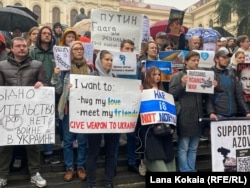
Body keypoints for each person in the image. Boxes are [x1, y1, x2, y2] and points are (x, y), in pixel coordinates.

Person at [0, 37, 48, 187]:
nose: (22, 48)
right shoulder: (1, 66)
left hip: (30, 112)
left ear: (28, 48)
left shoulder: (37, 65)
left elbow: (45, 85)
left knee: (32, 143)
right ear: (12, 49)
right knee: (5, 144)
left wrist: (42, 85)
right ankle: (2, 175)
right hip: (9, 112)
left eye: (24, 46)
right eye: (18, 46)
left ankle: (35, 173)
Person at [52, 40, 91, 182]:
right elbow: (57, 90)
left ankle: (80, 166)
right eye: (75, 49)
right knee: (68, 141)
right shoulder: (64, 70)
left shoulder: (89, 69)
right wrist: (56, 75)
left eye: (81, 48)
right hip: (68, 109)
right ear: (71, 52)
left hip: (84, 109)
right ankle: (69, 167)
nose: (79, 51)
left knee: (82, 141)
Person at [86, 50, 120, 188]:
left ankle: (109, 182)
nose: (109, 62)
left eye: (111, 60)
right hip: (95, 120)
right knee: (93, 153)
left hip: (112, 120)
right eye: (107, 59)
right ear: (100, 61)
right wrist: (74, 88)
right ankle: (91, 183)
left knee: (111, 153)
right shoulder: (91, 77)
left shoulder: (116, 77)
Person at [168, 51, 204, 172]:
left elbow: (204, 95)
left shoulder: (201, 75)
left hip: (198, 115)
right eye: (193, 60)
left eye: (198, 60)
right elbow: (171, 95)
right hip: (184, 115)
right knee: (183, 147)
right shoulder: (178, 76)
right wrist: (182, 84)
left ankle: (191, 169)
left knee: (193, 147)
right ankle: (184, 170)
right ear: (186, 61)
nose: (196, 62)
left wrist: (211, 85)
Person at [30, 26, 60, 165]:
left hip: (53, 91)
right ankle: (35, 153)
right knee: (36, 122)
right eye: (45, 33)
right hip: (36, 91)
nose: (47, 35)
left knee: (50, 122)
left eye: (49, 34)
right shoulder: (33, 51)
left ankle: (48, 152)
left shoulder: (57, 52)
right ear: (40, 35)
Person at [138, 66, 176, 172]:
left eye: (159, 74)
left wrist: (172, 126)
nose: (157, 76)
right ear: (148, 76)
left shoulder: (164, 91)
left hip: (166, 131)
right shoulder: (143, 90)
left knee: (170, 163)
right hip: (151, 132)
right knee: (158, 162)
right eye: (154, 74)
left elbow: (170, 111)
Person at [114, 39, 139, 174]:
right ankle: (113, 164)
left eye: (131, 49)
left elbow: (139, 81)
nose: (129, 51)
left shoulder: (137, 65)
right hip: (116, 102)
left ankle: (131, 162)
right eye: (127, 48)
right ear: (121, 50)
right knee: (116, 135)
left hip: (131, 103)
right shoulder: (113, 63)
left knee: (131, 135)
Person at [206, 50, 250, 120]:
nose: (227, 60)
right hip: (218, 115)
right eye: (224, 57)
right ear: (216, 59)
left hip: (233, 114)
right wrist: (211, 112)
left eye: (228, 57)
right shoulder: (210, 74)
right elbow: (208, 97)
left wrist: (247, 111)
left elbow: (239, 95)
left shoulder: (232, 73)